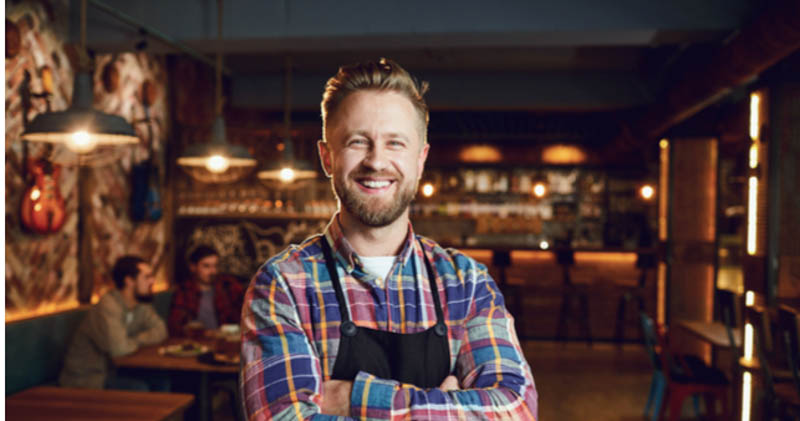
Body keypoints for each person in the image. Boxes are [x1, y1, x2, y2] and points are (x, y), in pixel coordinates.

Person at [241, 58, 538, 420]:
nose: (376, 161)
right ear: (326, 158)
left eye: (395, 143)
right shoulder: (284, 285)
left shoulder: (467, 284)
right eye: (357, 141)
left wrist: (353, 397)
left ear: (420, 159)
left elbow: (516, 410)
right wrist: (446, 407)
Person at [59, 255, 167, 390]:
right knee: (138, 388)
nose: (153, 281)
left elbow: (161, 330)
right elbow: (119, 349)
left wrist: (133, 340)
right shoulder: (108, 306)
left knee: (162, 381)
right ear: (129, 281)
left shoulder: (140, 304)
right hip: (86, 379)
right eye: (147, 277)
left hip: (115, 371)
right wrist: (134, 341)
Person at [168, 244, 245, 336]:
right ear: (193, 267)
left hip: (226, 341)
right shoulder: (184, 291)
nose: (213, 271)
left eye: (215, 266)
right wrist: (204, 333)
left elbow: (246, 317)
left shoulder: (228, 286)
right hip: (196, 343)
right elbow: (175, 326)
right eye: (206, 266)